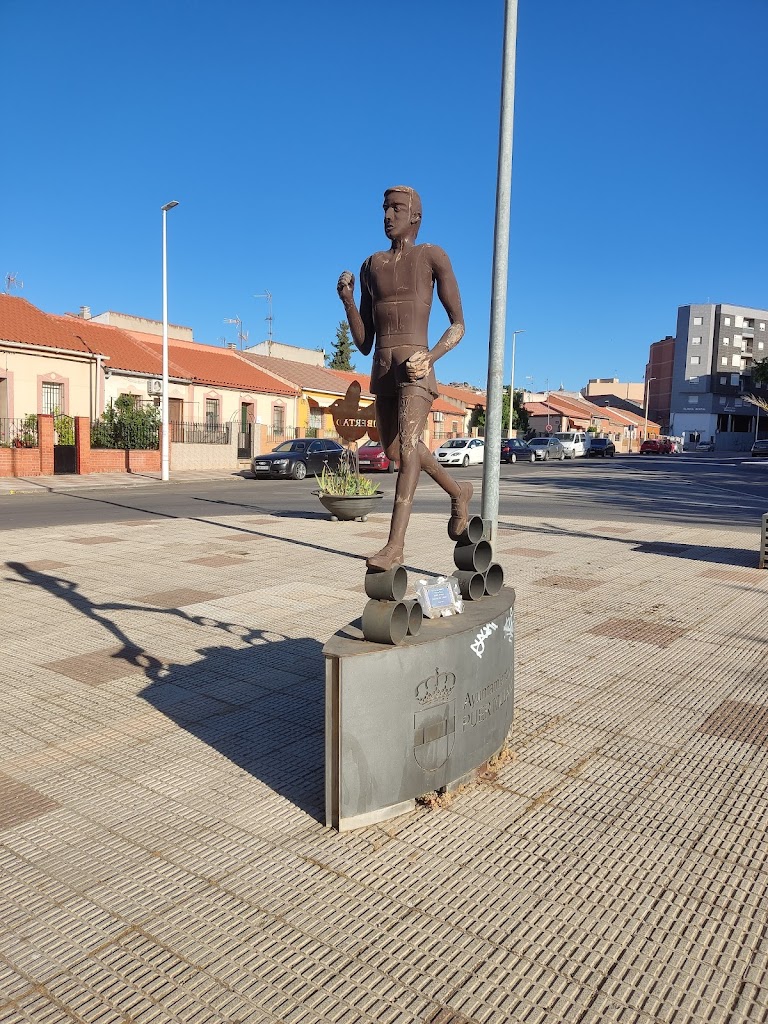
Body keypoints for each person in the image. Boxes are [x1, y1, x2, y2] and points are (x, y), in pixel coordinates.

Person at [337, 186, 473, 572]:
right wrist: (348, 299)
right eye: (384, 208)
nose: (388, 215)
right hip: (382, 369)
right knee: (397, 452)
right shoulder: (370, 266)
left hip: (416, 368)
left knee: (410, 449)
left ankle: (395, 546)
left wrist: (430, 357)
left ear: (415, 216)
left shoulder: (432, 256)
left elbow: (458, 324)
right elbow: (364, 343)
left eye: (397, 209)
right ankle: (458, 490)